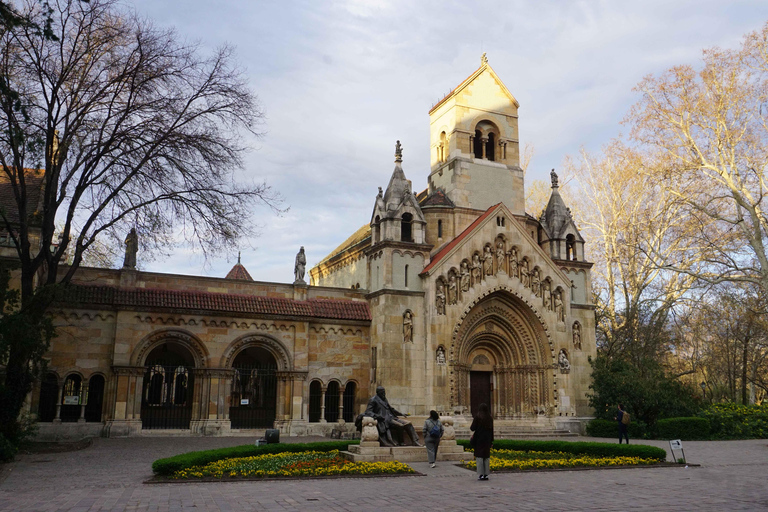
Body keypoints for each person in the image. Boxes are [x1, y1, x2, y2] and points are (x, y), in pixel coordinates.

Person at [470, 403, 494, 481]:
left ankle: (481, 474)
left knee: (479, 457)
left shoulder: (478, 417)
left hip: (479, 439)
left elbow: (472, 428)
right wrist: (491, 441)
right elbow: (491, 431)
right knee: (486, 457)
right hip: (487, 440)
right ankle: (486, 474)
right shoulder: (490, 418)